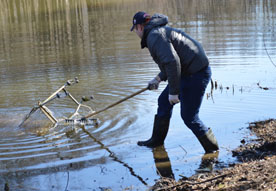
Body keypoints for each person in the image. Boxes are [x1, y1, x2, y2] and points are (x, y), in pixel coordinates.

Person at [130, 11, 219, 153]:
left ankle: (212, 150)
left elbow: (172, 62)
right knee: (163, 102)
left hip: (196, 74)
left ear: (139, 27)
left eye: (135, 29)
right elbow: (171, 63)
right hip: (187, 72)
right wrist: (158, 79)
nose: (136, 32)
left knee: (189, 116)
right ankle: (156, 142)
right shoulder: (156, 33)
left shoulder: (154, 36)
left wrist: (174, 92)